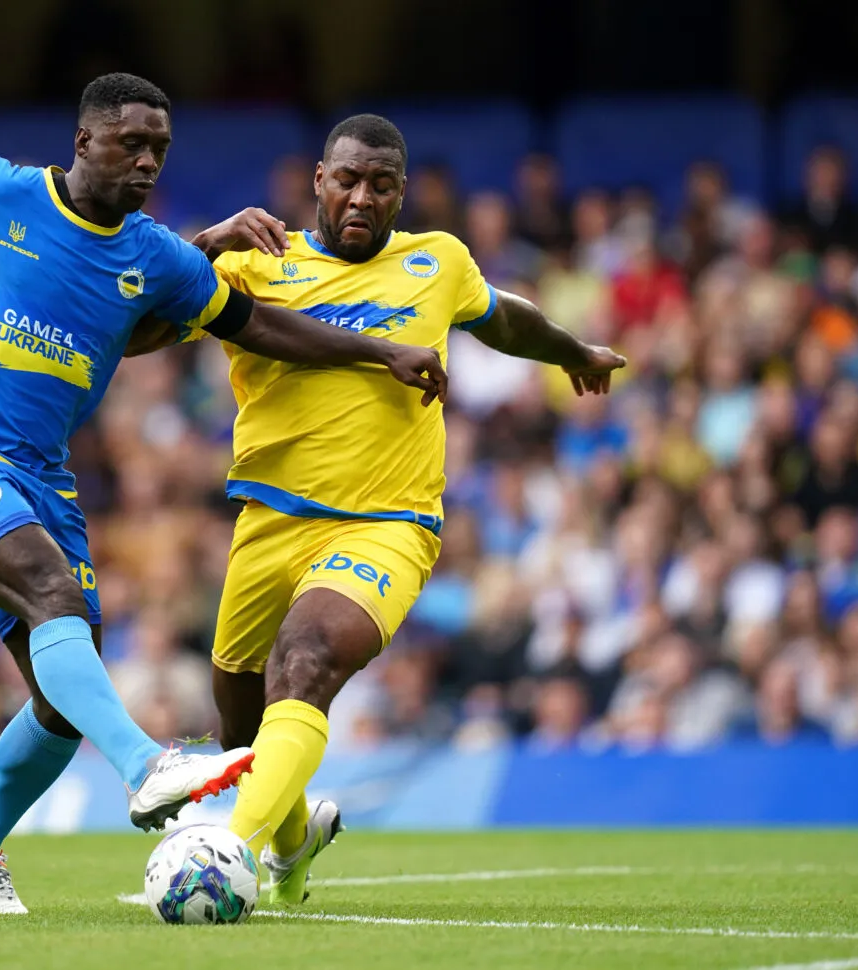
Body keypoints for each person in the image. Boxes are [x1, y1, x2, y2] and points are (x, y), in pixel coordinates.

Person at [0, 77, 445, 915]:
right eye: (133, 143)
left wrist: (376, 353)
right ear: (85, 140)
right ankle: (146, 765)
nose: (148, 160)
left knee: (61, 698)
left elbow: (256, 324)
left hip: (45, 481)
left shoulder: (156, 251)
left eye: (160, 148)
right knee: (54, 598)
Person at [135, 114, 625, 905]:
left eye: (382, 184)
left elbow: (503, 317)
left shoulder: (437, 260)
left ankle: (227, 852)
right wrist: (206, 244)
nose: (363, 197)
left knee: (307, 663)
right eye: (349, 180)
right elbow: (135, 332)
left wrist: (573, 352)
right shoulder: (261, 263)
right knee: (239, 724)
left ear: (402, 192)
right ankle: (293, 845)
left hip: (387, 523)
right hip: (268, 519)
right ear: (319, 181)